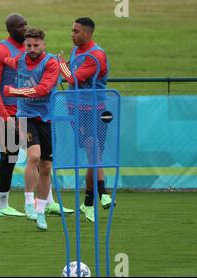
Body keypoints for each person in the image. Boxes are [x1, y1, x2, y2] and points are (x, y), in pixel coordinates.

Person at [3, 28, 73, 230]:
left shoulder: (51, 63)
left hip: (47, 117)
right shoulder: (21, 59)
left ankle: (41, 211)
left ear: (44, 45)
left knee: (47, 166)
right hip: (25, 114)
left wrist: (13, 90)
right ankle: (27, 202)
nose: (31, 49)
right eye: (28, 45)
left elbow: (42, 89)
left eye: (36, 45)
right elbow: (9, 61)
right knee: (33, 156)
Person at [58, 17, 114, 223]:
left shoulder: (96, 55)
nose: (72, 34)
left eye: (76, 31)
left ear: (88, 34)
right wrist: (65, 66)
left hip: (94, 109)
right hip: (77, 110)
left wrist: (60, 65)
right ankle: (94, 198)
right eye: (72, 30)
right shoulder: (77, 50)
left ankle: (98, 196)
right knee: (94, 152)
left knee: (94, 150)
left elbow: (72, 78)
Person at [0, 13, 27, 217]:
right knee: (9, 156)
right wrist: (4, 116)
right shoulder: (0, 50)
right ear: (10, 30)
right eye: (20, 25)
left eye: (26, 24)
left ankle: (44, 202)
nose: (25, 28)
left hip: (28, 110)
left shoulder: (30, 48)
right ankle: (2, 204)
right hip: (7, 111)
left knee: (38, 156)